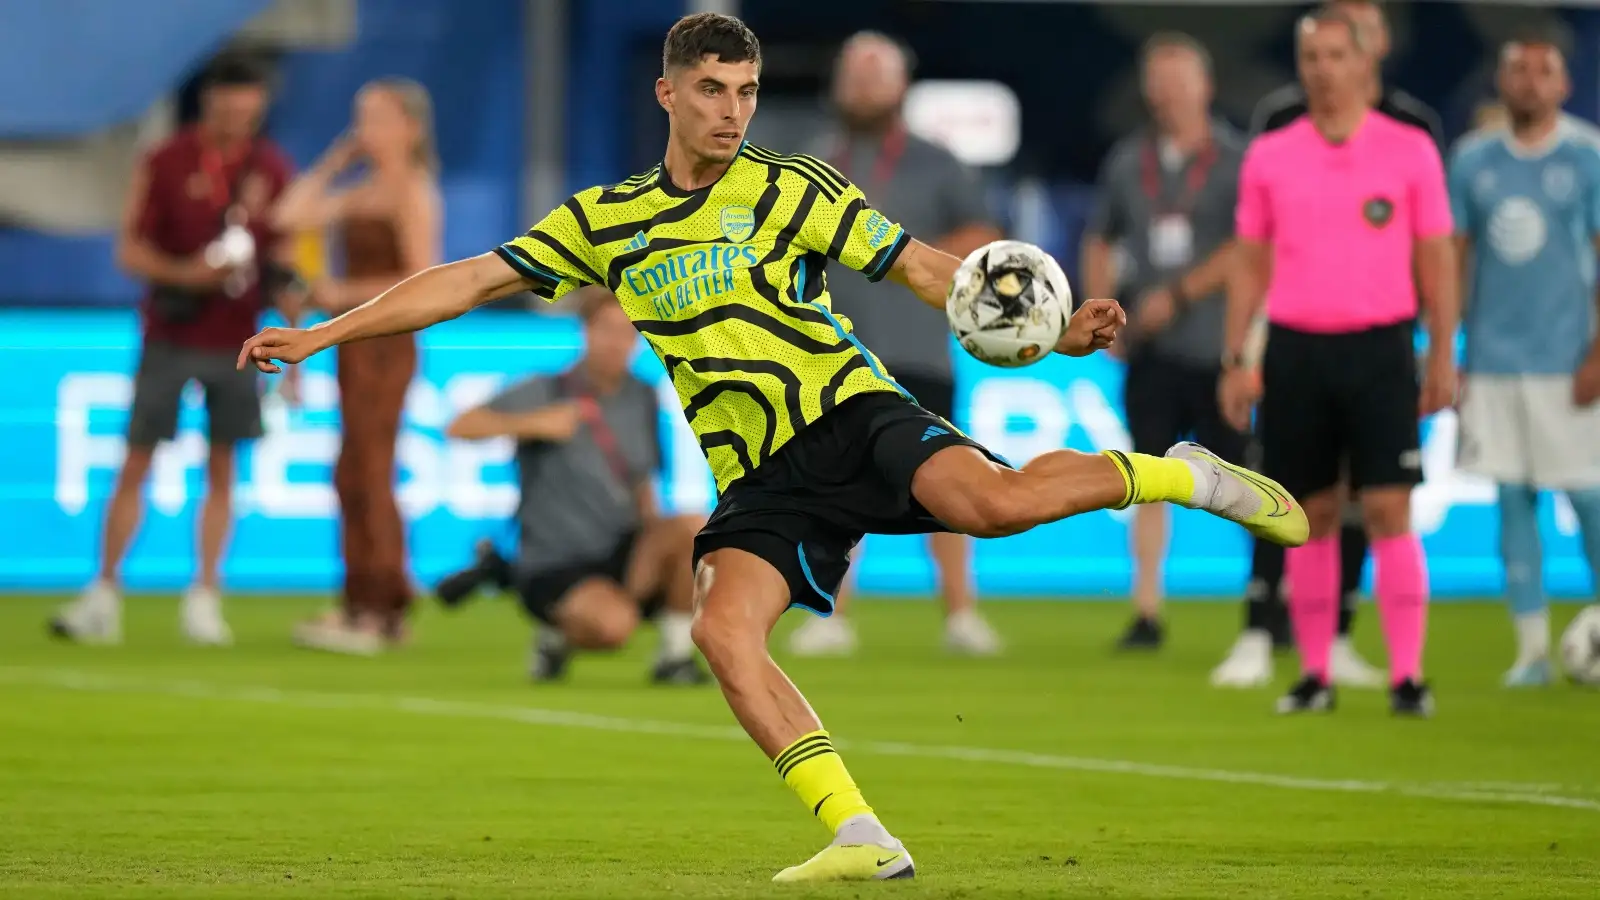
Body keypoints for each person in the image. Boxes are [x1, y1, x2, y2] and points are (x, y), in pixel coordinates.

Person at [238, 13, 1307, 882]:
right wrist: (323, 331)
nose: (731, 111)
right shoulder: (606, 220)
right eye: (712, 90)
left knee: (995, 507)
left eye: (746, 92)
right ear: (668, 93)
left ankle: (1183, 472)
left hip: (850, 411)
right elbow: (466, 279)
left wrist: (1055, 329)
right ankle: (857, 831)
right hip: (757, 474)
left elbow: (925, 269)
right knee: (720, 633)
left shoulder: (790, 185)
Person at [1220, 7, 1459, 717]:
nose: (1322, 69)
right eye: (1311, 57)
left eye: (1334, 56)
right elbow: (1249, 262)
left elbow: (1436, 255)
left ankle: (1407, 676)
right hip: (1295, 348)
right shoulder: (1272, 151)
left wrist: (1443, 350)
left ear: (1365, 63)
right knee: (1312, 513)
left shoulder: (1410, 148)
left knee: (1388, 507)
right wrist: (1237, 356)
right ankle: (1316, 674)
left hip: (1382, 346)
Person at [51, 55, 296, 646]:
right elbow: (129, 251)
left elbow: (286, 261)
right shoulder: (165, 161)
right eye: (229, 111)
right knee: (136, 461)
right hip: (171, 334)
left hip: (242, 340)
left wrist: (296, 340)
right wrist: (188, 275)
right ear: (209, 103)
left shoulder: (272, 168)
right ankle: (104, 593)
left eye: (249, 114)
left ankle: (205, 597)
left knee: (222, 470)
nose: (239, 123)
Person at [787, 30, 1005, 658]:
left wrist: (900, 248)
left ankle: (962, 614)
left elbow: (983, 235)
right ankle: (830, 614)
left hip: (918, 345)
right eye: (852, 75)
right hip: (834, 351)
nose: (860, 87)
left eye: (873, 75)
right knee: (837, 483)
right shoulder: (812, 162)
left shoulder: (939, 161)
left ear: (900, 86)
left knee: (951, 478)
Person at [440, 291, 710, 684]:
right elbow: (460, 425)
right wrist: (535, 423)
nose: (616, 342)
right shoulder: (547, 389)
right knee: (614, 627)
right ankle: (556, 636)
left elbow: (641, 478)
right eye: (606, 330)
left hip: (620, 541)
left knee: (694, 530)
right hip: (555, 557)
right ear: (586, 332)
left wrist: (660, 546)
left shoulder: (641, 395)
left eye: (626, 332)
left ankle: (675, 656)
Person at [1081, 33, 1248, 651]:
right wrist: (1102, 309)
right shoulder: (1130, 160)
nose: (1168, 94)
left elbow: (1250, 250)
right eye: (1159, 82)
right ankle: (1147, 610)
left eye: (1179, 81)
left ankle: (1269, 601)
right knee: (1146, 479)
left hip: (1219, 350)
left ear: (1205, 86)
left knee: (1245, 478)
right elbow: (1100, 237)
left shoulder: (1237, 158)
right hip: (1151, 355)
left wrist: (1176, 296)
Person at [1447, 36, 1600, 686]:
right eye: (1518, 70)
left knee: (1590, 500)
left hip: (1567, 361)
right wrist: (1450, 351)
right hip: (1490, 362)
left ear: (1563, 86)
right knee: (1512, 499)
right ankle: (1532, 650)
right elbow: (1454, 257)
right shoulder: (1473, 159)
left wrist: (1598, 351)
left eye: (1544, 72)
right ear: (1501, 82)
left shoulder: (1587, 154)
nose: (1531, 82)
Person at [270, 79, 442, 654]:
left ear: (409, 128)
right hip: (352, 339)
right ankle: (357, 599)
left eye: (375, 118)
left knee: (372, 467)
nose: (363, 129)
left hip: (386, 340)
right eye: (359, 117)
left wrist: (339, 290)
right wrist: (337, 158)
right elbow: (288, 214)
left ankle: (384, 607)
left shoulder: (413, 192)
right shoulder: (364, 187)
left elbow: (422, 278)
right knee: (350, 470)